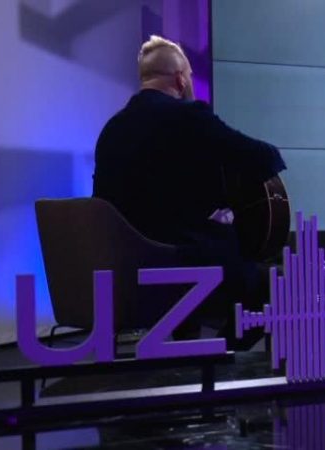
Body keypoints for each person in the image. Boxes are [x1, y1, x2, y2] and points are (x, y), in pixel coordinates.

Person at [93, 35, 286, 348]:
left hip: (121, 273)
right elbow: (263, 157)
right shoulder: (188, 116)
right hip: (179, 264)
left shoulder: (111, 129)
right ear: (181, 79)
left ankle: (192, 354)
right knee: (274, 287)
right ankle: (219, 359)